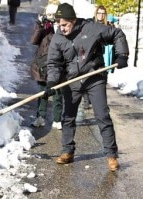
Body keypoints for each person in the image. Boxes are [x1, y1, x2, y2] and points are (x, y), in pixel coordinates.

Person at [44, 3, 129, 171]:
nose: (62, 28)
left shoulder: (91, 28)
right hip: (72, 80)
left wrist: (122, 55)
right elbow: (53, 63)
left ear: (73, 21)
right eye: (59, 25)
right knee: (68, 117)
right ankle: (67, 151)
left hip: (94, 77)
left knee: (102, 115)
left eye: (65, 25)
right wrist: (52, 82)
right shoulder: (58, 37)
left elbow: (117, 33)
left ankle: (111, 155)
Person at [30, 3, 62, 130]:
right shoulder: (44, 27)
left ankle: (57, 119)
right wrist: (40, 25)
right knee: (42, 93)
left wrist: (58, 26)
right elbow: (33, 41)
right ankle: (40, 117)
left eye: (54, 15)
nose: (51, 17)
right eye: (49, 15)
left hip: (58, 64)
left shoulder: (61, 26)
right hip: (43, 63)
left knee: (58, 93)